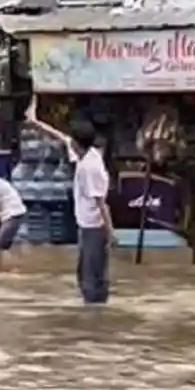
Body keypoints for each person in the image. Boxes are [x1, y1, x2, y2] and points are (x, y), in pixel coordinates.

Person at [25, 99, 114, 304]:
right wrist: (35, 122)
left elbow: (101, 203)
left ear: (77, 143)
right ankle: (93, 312)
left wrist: (110, 233)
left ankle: (95, 317)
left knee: (92, 277)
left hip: (95, 226)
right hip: (86, 225)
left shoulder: (91, 167)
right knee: (85, 273)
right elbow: (59, 136)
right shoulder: (84, 153)